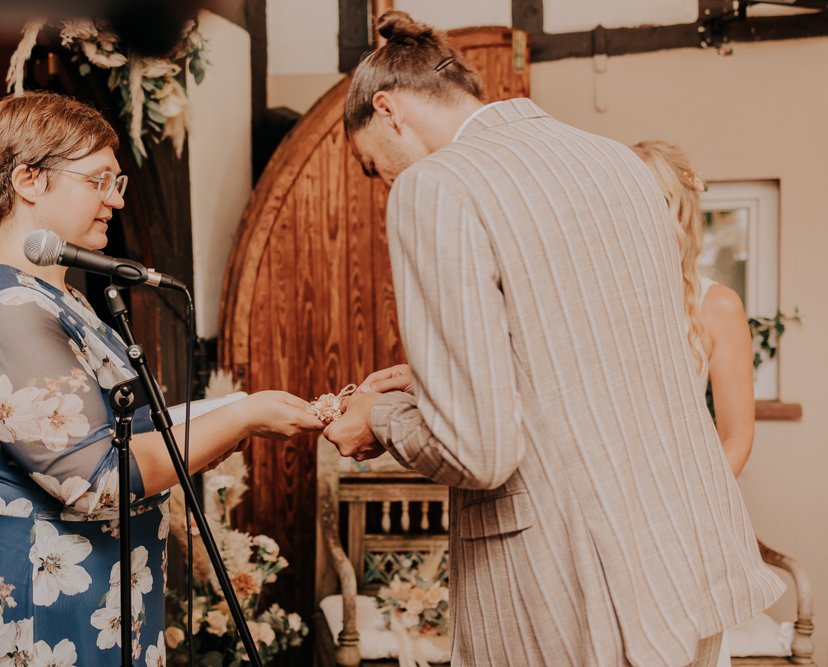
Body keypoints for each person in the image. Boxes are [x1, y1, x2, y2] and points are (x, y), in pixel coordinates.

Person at [322, 11, 784, 667]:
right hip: (685, 575)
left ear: (390, 110)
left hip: (569, 593)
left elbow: (478, 450)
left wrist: (384, 415)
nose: (384, 186)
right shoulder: (615, 162)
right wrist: (434, 380)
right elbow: (589, 358)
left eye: (373, 167)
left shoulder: (436, 184)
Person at [0, 92, 324, 665]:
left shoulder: (51, 293)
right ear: (28, 180)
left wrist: (242, 406)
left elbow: (120, 429)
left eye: (118, 183)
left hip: (93, 585)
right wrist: (241, 417)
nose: (113, 200)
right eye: (97, 180)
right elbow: (95, 481)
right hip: (37, 595)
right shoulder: (5, 308)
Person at [632, 140, 754, 477]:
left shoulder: (718, 306)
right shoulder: (593, 296)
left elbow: (737, 436)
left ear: (680, 212)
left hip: (685, 493)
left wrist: (695, 508)